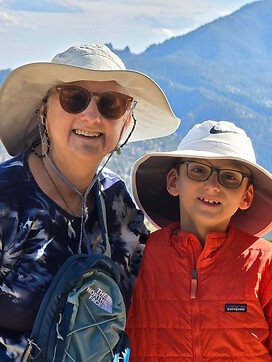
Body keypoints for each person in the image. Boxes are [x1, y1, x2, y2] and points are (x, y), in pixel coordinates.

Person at [0, 44, 180, 361]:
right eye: (74, 98)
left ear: (126, 121)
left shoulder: (118, 202)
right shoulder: (7, 196)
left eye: (111, 104)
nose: (92, 116)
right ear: (43, 110)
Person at [126, 120, 272, 361]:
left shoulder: (264, 264)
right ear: (174, 181)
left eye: (230, 177)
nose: (212, 186)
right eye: (198, 171)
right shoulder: (137, 258)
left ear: (246, 196)